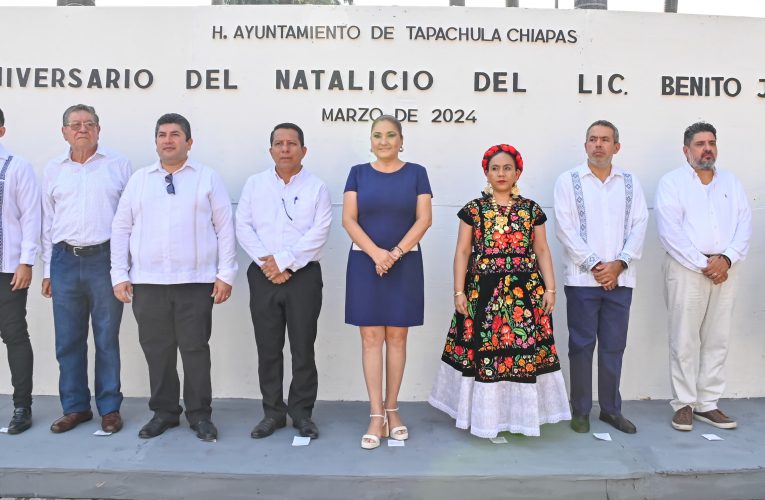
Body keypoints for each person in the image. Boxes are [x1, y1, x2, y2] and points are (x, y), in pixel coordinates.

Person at [111, 113, 237, 442]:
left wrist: (226, 274)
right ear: (156, 142)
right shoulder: (139, 180)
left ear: (189, 142)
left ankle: (199, 415)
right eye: (162, 135)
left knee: (195, 349)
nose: (168, 140)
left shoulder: (207, 178)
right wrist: (119, 274)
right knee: (157, 349)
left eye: (175, 134)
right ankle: (164, 412)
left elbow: (225, 228)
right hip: (148, 282)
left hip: (195, 281)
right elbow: (121, 228)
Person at [429, 144, 570, 438]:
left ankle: (519, 418)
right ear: (487, 172)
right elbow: (463, 251)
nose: (501, 173)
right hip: (483, 292)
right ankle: (485, 419)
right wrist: (458, 292)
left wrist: (551, 288)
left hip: (526, 293)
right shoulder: (473, 210)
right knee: (485, 355)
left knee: (522, 352)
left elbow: (541, 250)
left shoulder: (532, 210)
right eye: (495, 168)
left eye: (507, 168)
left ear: (518, 172)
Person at [236, 123, 332, 440]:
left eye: (292, 143)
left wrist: (284, 262)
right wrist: (269, 262)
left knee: (303, 348)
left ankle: (302, 413)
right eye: (279, 143)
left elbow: (318, 233)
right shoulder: (254, 184)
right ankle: (272, 413)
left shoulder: (317, 188)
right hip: (263, 275)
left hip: (303, 276)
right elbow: (244, 226)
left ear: (304, 150)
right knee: (268, 348)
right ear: (271, 150)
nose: (285, 148)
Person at [342, 115, 432, 449]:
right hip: (365, 263)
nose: (384, 141)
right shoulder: (358, 173)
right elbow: (348, 220)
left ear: (401, 140)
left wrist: (392, 254)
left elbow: (424, 220)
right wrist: (376, 254)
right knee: (369, 338)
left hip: (404, 263)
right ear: (370, 140)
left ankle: (393, 409)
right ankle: (375, 415)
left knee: (396, 336)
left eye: (390, 135)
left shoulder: (417, 173)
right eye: (377, 135)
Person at [553, 120, 648, 434]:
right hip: (582, 281)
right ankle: (580, 410)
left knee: (613, 345)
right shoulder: (568, 181)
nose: (598, 145)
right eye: (593, 139)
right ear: (585, 146)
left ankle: (610, 410)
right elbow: (564, 229)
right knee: (581, 345)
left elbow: (639, 225)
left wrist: (618, 265)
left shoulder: (631, 182)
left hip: (620, 280)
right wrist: (597, 265)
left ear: (616, 147)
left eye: (605, 140)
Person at [655, 121, 751, 432]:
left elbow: (744, 224)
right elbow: (671, 231)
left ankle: (708, 403)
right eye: (699, 144)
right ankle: (684, 403)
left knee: (717, 337)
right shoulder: (672, 183)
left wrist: (725, 259)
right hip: (686, 269)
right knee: (684, 338)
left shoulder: (731, 183)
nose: (706, 148)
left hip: (726, 270)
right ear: (686, 150)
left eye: (711, 142)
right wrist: (704, 263)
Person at [41, 104, 131, 434]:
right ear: (64, 131)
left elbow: (127, 221)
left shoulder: (118, 165)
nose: (82, 129)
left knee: (106, 338)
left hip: (104, 260)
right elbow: (47, 222)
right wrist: (47, 270)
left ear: (98, 130)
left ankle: (109, 408)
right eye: (75, 124)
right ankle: (75, 407)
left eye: (89, 124)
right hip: (64, 261)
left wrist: (123, 269)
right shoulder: (53, 169)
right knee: (68, 340)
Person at [0, 107, 41, 434]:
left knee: (14, 335)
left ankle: (21, 406)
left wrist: (26, 261)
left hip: (7, 270)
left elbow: (31, 217)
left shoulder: (16, 167)